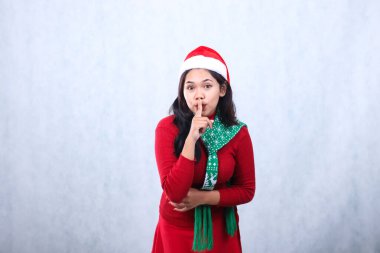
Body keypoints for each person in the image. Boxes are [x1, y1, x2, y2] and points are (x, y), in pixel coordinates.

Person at [151, 46, 256, 253]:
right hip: (177, 229)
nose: (198, 96)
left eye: (207, 86)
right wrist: (191, 138)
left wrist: (203, 198)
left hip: (221, 228)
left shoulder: (237, 133)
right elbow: (175, 193)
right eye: (190, 88)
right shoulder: (166, 128)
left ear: (222, 89)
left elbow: (246, 190)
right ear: (183, 92)